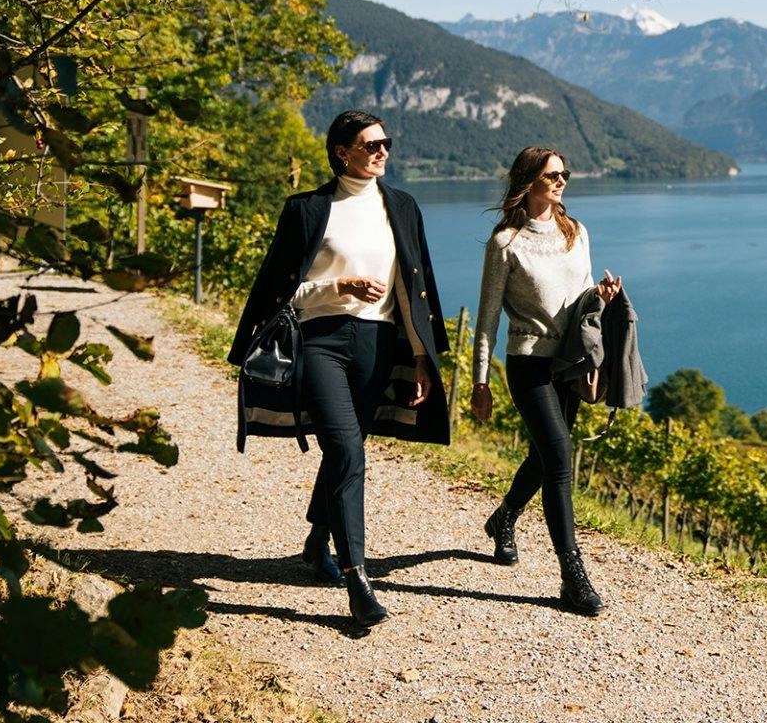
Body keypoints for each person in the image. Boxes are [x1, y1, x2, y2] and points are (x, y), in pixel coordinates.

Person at [228, 110, 451, 629]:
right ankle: (357, 578)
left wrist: (421, 356)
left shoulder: (402, 206)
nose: (381, 151)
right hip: (319, 341)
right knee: (346, 449)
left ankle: (315, 541)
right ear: (341, 152)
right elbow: (278, 293)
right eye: (370, 144)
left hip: (377, 342)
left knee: (348, 446)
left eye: (386, 142)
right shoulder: (307, 209)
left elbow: (411, 291)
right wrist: (339, 287)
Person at [471, 146, 622, 617]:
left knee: (542, 456)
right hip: (529, 365)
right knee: (559, 457)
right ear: (528, 182)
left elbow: (579, 299)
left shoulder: (576, 232)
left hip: (569, 363)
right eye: (552, 175)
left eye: (565, 175)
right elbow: (487, 319)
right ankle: (571, 575)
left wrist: (601, 296)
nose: (561, 182)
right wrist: (480, 382)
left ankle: (504, 519)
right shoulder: (506, 244)